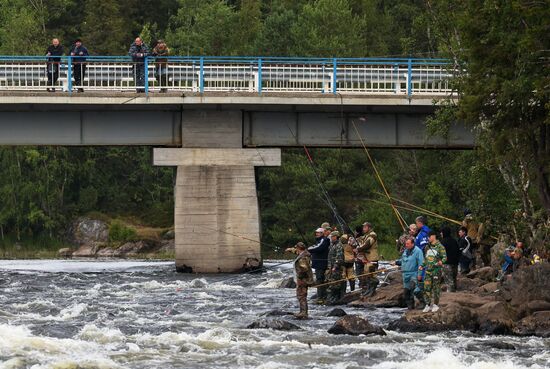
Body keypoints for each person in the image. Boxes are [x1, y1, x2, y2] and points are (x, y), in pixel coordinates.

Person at [285, 242, 314, 319]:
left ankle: (303, 312)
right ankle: (303, 312)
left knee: (301, 296)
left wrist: (300, 278)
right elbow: (297, 252)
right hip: (303, 279)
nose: (296, 249)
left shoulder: (302, 257)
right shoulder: (303, 254)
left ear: (299, 248)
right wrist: (290, 250)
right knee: (302, 295)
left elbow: (304, 269)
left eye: (296, 248)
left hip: (302, 280)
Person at [420, 230, 447, 313]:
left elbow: (445, 258)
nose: (428, 238)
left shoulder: (440, 247)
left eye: (429, 237)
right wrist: (422, 265)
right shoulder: (427, 247)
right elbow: (426, 258)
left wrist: (441, 262)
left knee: (436, 288)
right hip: (428, 271)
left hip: (436, 271)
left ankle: (435, 304)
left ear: (433, 236)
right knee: (426, 288)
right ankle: (427, 304)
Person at [395, 237, 424, 309]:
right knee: (406, 292)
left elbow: (421, 264)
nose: (406, 245)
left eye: (408, 244)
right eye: (406, 244)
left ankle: (423, 303)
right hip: (405, 274)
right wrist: (396, 262)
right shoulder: (405, 251)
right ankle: (410, 307)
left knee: (415, 290)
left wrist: (420, 274)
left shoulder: (418, 251)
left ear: (413, 244)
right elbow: (403, 261)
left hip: (414, 273)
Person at [356, 222, 379, 297]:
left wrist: (358, 249)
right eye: (363, 227)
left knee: (371, 274)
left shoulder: (373, 235)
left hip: (372, 258)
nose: (363, 229)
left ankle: (372, 290)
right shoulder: (366, 236)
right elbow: (361, 241)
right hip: (367, 259)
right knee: (367, 274)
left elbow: (367, 244)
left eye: (365, 227)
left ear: (369, 227)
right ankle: (369, 289)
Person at [308, 227, 330, 304]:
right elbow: (315, 247)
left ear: (322, 233)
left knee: (320, 280)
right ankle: (321, 296)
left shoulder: (324, 240)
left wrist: (308, 250)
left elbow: (319, 248)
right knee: (319, 280)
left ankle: (321, 297)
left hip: (321, 264)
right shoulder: (319, 240)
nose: (316, 234)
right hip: (318, 264)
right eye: (316, 233)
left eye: (318, 233)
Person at [326, 231, 345, 305]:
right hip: (331, 267)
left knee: (335, 284)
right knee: (331, 282)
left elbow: (339, 258)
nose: (331, 238)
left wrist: (335, 266)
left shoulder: (339, 245)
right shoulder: (332, 245)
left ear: (336, 237)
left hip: (336, 268)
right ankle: (333, 299)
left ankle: (335, 299)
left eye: (332, 236)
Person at [440, 226, 460, 292]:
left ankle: (451, 297)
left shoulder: (443, 242)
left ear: (444, 233)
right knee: (454, 280)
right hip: (455, 263)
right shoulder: (454, 241)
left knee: (449, 281)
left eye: (441, 232)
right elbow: (458, 251)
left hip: (446, 264)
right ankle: (455, 294)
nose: (440, 233)